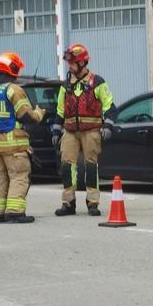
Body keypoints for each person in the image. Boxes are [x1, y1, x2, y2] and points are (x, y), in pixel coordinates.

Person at [0, 53, 45, 224]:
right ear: (12, 69)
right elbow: (25, 116)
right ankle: (15, 212)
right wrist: (39, 113)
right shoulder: (14, 90)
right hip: (13, 144)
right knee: (19, 175)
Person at [52, 44, 116, 217]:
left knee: (91, 166)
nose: (69, 66)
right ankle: (68, 203)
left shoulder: (97, 82)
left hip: (91, 131)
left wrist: (108, 126)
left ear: (82, 63)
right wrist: (56, 130)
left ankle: (92, 203)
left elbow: (109, 106)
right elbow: (60, 111)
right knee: (67, 166)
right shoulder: (66, 85)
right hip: (70, 131)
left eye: (72, 63)